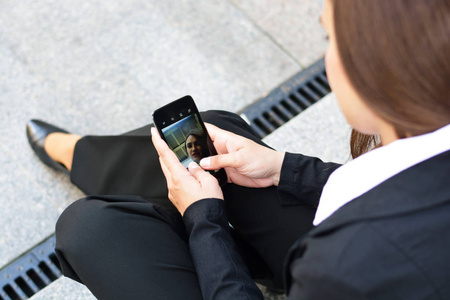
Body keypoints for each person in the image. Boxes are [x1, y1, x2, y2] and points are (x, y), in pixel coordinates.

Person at [25, 0, 450, 299]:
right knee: (220, 135)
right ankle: (84, 155)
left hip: (338, 271)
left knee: (90, 229)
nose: (326, 61)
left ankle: (82, 158)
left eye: (329, 38)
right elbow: (384, 190)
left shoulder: (339, 269)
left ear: (383, 65)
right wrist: (283, 168)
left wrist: (204, 222)